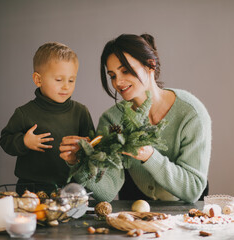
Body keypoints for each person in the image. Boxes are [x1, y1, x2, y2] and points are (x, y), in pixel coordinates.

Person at [60, 34, 211, 203]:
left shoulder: (191, 113)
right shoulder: (112, 120)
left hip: (187, 215)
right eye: (112, 75)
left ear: (150, 65)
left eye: (125, 70)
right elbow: (107, 192)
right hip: (134, 212)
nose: (118, 82)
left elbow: (193, 189)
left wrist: (149, 155)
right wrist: (79, 162)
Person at [0, 42, 94, 195]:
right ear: (38, 79)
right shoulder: (25, 113)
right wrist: (24, 142)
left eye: (71, 80)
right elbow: (5, 141)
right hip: (31, 189)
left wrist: (82, 150)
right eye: (59, 80)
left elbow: (93, 146)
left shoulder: (80, 112)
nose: (66, 86)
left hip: (70, 188)